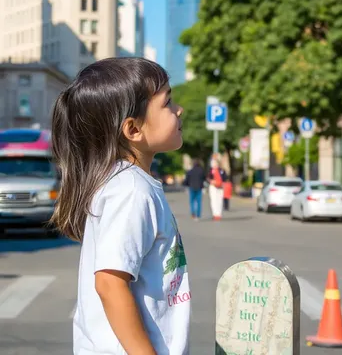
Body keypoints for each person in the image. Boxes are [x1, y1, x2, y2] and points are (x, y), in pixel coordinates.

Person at [50, 58, 190, 355]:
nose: (179, 110)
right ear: (133, 129)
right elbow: (110, 285)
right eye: (168, 103)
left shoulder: (126, 183)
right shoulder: (131, 190)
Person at [208, 156, 227, 221]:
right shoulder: (211, 170)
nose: (213, 164)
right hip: (213, 186)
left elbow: (225, 178)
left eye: (214, 163)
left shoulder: (221, 170)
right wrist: (211, 181)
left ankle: (218, 214)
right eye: (212, 163)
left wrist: (222, 183)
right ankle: (215, 214)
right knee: (213, 200)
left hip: (220, 187)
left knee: (219, 200)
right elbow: (208, 178)